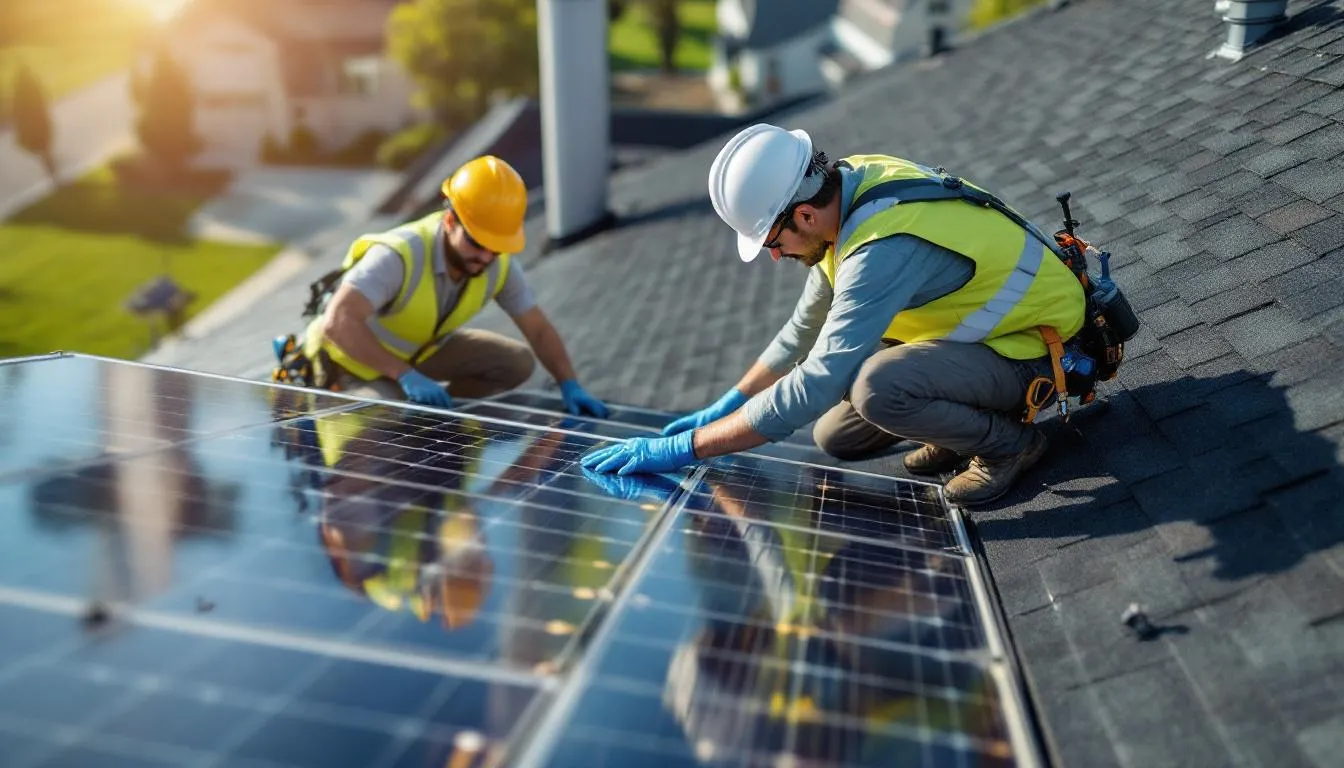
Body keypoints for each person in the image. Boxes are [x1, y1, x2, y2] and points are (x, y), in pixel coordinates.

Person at [581, 123, 1087, 506]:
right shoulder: (845, 189)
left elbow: (817, 381)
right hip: (983, 345)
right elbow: (803, 328)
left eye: (772, 242)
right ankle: (957, 427)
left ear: (803, 215)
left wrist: (689, 448)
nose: (775, 256)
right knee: (836, 435)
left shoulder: (879, 248)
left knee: (874, 389)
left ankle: (1009, 445)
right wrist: (729, 402)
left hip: (1040, 348)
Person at [289, 154, 609, 418]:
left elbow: (537, 329)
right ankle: (392, 409)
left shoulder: (497, 264)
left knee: (516, 363)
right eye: (477, 243)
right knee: (383, 420)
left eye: (496, 248)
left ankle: (438, 423)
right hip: (352, 362)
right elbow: (338, 322)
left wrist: (569, 383)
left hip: (417, 355)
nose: (486, 257)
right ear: (450, 221)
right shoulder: (400, 255)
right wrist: (404, 375)